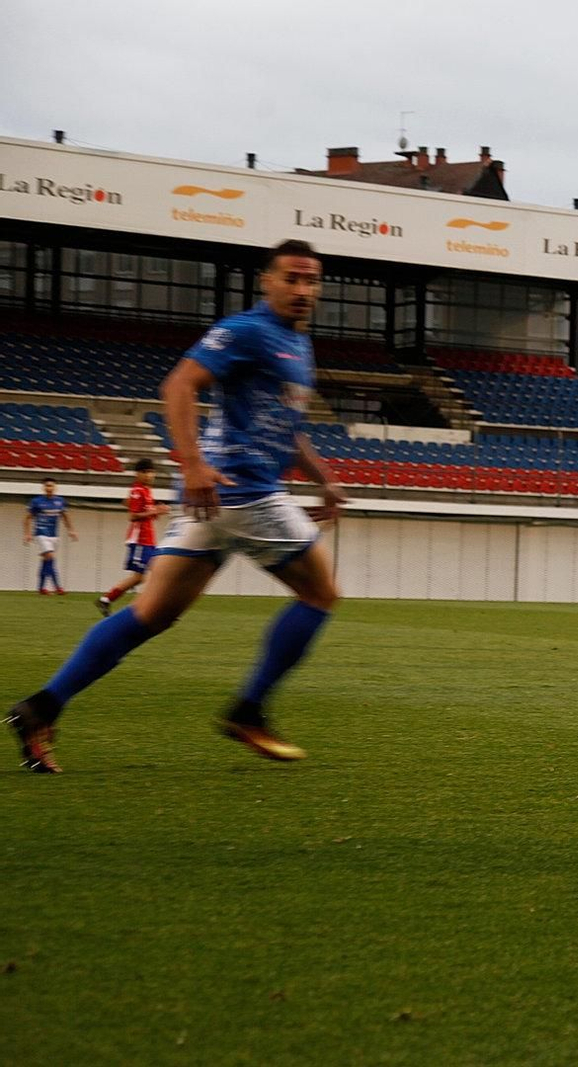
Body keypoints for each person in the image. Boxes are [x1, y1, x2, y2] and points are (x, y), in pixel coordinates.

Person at [6, 239, 347, 774]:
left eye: (311, 280)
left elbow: (287, 427)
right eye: (291, 278)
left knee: (151, 614)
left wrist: (323, 478)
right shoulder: (247, 330)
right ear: (267, 281)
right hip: (244, 491)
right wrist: (191, 464)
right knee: (321, 593)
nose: (303, 289)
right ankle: (248, 710)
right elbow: (179, 385)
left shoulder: (297, 344)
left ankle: (41, 708)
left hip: (211, 503)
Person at [97, 459, 170, 616]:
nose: (149, 475)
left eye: (151, 472)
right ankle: (144, 609)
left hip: (148, 539)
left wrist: (155, 511)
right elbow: (133, 516)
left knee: (142, 577)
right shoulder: (138, 490)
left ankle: (107, 600)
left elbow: (132, 505)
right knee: (146, 576)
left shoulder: (145, 491)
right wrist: (155, 511)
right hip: (140, 540)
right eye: (145, 472)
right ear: (138, 474)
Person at [23, 477, 77, 595]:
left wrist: (71, 530)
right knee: (50, 557)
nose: (49, 488)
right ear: (43, 487)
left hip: (53, 535)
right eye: (47, 486)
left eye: (51, 486)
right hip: (41, 533)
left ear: (55, 487)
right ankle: (58, 587)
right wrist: (27, 533)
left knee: (46, 561)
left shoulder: (60, 501)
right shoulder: (36, 501)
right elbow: (27, 518)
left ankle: (41, 588)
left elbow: (65, 516)